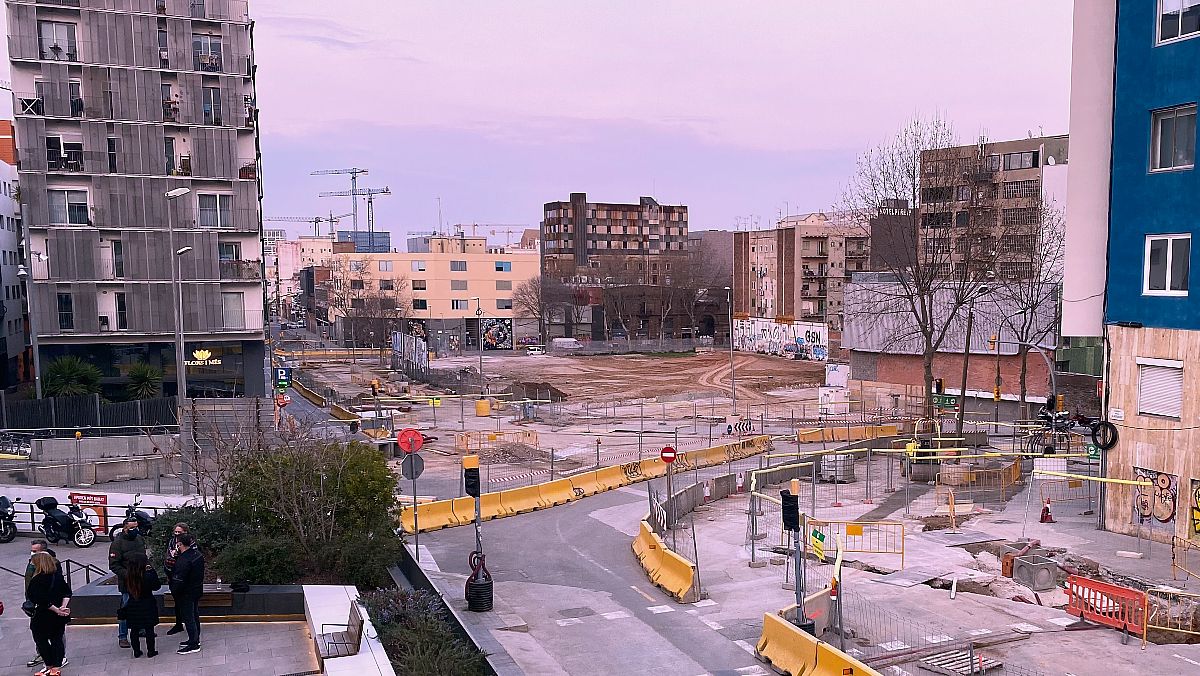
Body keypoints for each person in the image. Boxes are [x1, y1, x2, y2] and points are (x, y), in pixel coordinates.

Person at [24, 541, 68, 671]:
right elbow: (67, 591)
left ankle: (49, 664)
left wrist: (56, 609)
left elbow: (40, 599)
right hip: (58, 614)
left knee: (41, 639)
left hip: (43, 614)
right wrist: (62, 608)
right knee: (57, 638)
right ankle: (56, 666)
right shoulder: (57, 576)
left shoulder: (37, 580)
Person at [108, 516, 146, 649]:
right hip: (127, 583)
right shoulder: (117, 543)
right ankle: (123, 636)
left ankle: (141, 629)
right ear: (124, 528)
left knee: (141, 605)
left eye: (136, 527)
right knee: (125, 609)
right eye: (131, 528)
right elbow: (114, 565)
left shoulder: (139, 539)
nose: (135, 530)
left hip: (141, 580)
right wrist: (129, 575)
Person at [120, 552, 162, 658]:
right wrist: (152, 570)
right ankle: (151, 651)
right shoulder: (147, 576)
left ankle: (137, 652)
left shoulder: (128, 576)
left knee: (134, 630)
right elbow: (157, 586)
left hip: (133, 605)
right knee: (149, 629)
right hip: (147, 604)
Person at [169, 533, 204, 654]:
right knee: (194, 615)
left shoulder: (183, 560)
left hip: (186, 593)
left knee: (189, 618)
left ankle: (194, 644)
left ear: (180, 544)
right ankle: (195, 639)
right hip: (196, 590)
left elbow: (178, 579)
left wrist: (174, 591)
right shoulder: (197, 555)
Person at [164, 523, 189, 635]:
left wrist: (177, 555)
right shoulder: (171, 542)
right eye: (176, 532)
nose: (177, 534)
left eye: (180, 532)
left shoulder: (190, 542)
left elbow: (187, 557)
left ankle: (190, 625)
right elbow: (169, 555)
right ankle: (178, 624)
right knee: (176, 601)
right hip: (172, 574)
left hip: (184, 578)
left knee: (187, 603)